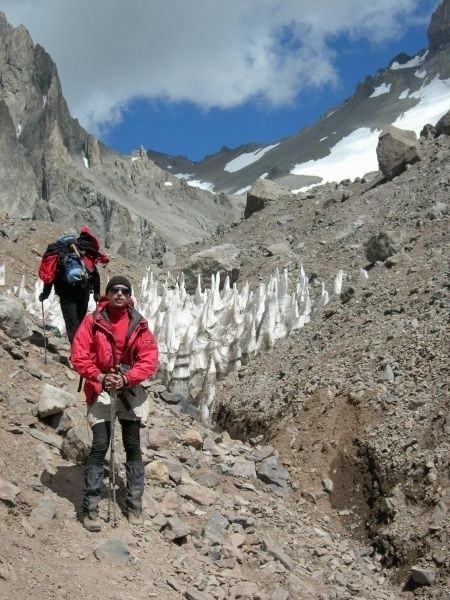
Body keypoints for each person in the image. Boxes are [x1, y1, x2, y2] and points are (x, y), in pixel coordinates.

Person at [71, 275, 159, 532]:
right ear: (106, 294)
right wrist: (99, 376)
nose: (119, 294)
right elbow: (79, 355)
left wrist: (126, 378)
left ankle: (134, 503)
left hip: (128, 390)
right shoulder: (92, 321)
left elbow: (149, 358)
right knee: (100, 444)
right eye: (114, 290)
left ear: (129, 295)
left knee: (133, 444)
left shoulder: (139, 324)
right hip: (100, 388)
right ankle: (91, 507)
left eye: (124, 290)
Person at [38, 226, 109, 344]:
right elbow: (94, 274)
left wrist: (45, 295)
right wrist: (96, 293)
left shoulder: (59, 254)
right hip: (83, 291)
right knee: (80, 322)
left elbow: (50, 276)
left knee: (72, 324)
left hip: (66, 295)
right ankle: (80, 351)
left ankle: (77, 352)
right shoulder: (83, 253)